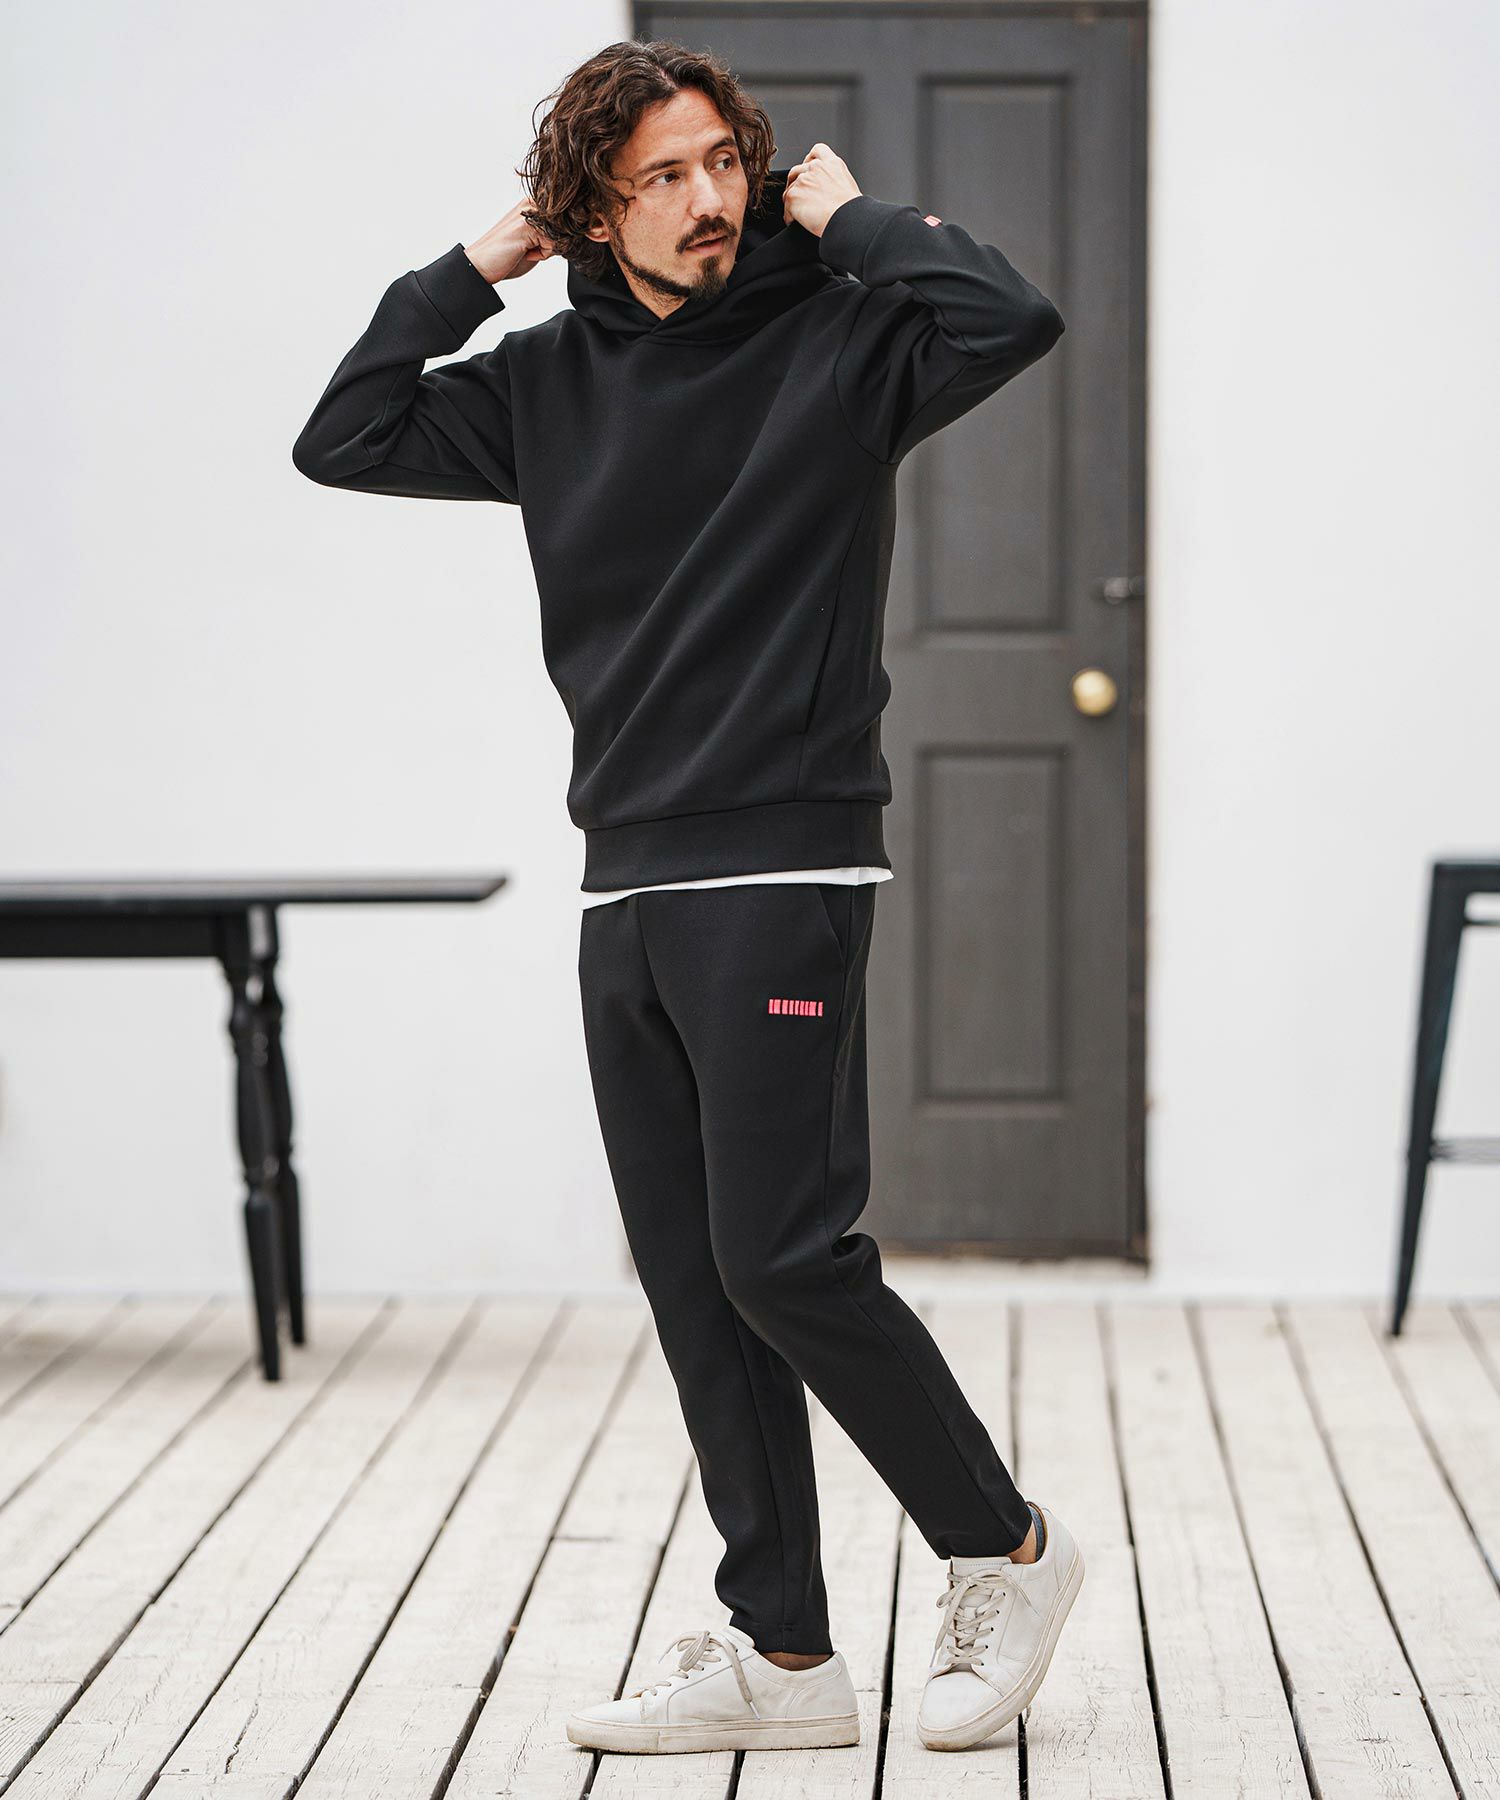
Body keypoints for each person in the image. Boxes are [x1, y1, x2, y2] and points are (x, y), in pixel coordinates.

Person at [292, 35, 1082, 1757]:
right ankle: (784, 1657)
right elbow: (342, 435)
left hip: (785, 855)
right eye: (663, 175)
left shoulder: (848, 338)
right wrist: (473, 270)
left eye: (725, 160)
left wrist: (855, 220)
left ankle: (1006, 1549)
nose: (710, 198)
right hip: (628, 873)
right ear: (592, 208)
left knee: (784, 1256)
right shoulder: (543, 381)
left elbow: (1010, 318)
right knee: (695, 1279)